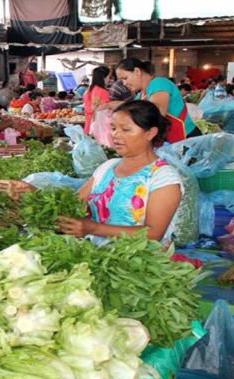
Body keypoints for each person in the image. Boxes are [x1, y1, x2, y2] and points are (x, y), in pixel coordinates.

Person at [10, 100, 183, 247]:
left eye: (126, 130)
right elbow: (73, 204)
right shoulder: (108, 168)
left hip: (138, 264)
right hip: (94, 253)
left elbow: (153, 234)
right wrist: (33, 193)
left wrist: (92, 228)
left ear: (150, 133)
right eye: (114, 128)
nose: (116, 135)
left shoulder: (163, 177)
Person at [107, 58, 201, 142]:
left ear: (137, 71)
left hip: (187, 139)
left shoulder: (159, 83)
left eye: (125, 78)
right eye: (122, 81)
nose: (124, 83)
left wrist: (123, 105)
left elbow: (156, 112)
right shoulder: (140, 95)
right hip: (170, 141)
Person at [84, 66, 110, 135]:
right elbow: (104, 111)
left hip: (88, 125)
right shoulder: (103, 92)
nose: (109, 80)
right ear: (103, 78)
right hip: (98, 127)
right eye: (108, 77)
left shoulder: (88, 91)